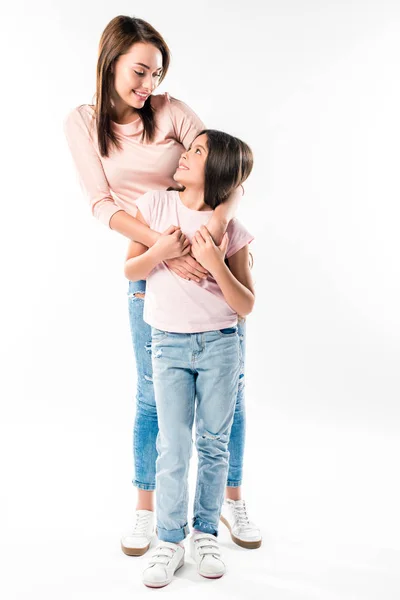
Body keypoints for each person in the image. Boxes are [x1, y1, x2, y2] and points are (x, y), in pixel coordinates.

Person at [64, 15, 261, 556]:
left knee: (231, 397)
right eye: (140, 71)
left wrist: (210, 237)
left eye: (156, 73)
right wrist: (162, 249)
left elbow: (227, 167)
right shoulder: (82, 123)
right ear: (111, 61)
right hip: (151, 262)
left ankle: (231, 498)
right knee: (152, 395)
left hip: (206, 265)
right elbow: (101, 204)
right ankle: (148, 510)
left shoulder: (171, 112)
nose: (148, 85)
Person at [124, 129, 255, 588]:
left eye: (197, 151)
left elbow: (246, 305)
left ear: (215, 170)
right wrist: (161, 251)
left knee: (213, 444)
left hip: (220, 345)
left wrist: (216, 263)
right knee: (172, 445)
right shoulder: (156, 205)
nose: (186, 153)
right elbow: (130, 269)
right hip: (168, 345)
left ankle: (205, 534)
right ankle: (169, 539)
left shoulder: (232, 229)